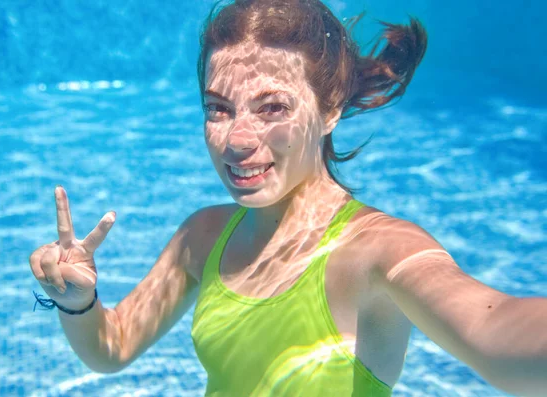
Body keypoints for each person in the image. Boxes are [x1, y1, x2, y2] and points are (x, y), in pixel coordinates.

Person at [29, 0, 547, 396]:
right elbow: (114, 346)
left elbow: (491, 325)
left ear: (330, 110)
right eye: (218, 108)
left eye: (272, 106)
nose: (237, 139)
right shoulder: (204, 236)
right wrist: (78, 304)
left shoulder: (380, 252)